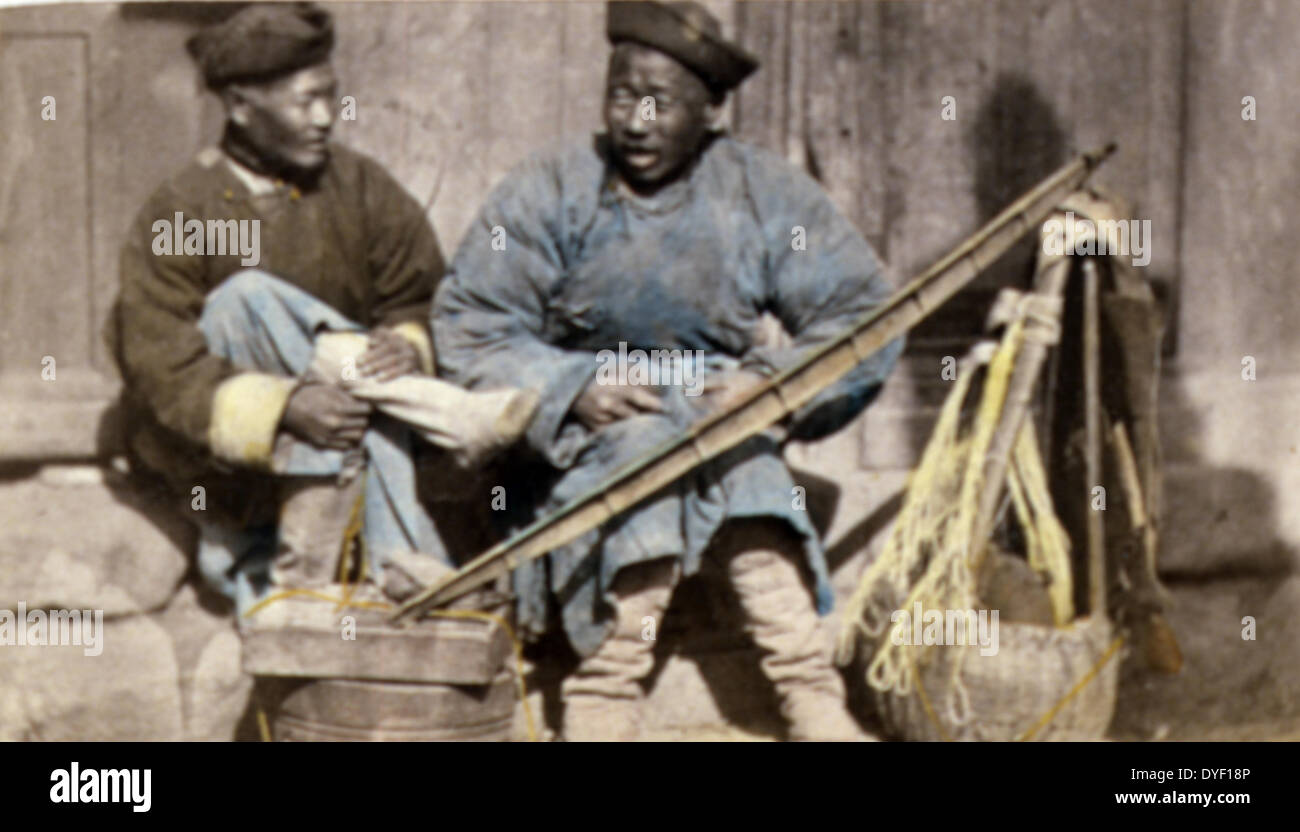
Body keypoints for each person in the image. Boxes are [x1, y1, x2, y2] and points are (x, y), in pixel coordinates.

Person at [433, 0, 904, 741]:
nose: (637, 121)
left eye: (663, 103)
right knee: (647, 452)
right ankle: (602, 696)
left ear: (712, 110)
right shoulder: (548, 186)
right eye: (623, 95)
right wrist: (572, 388)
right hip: (574, 456)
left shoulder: (761, 192)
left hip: (716, 428)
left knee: (742, 457)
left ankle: (811, 697)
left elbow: (862, 314)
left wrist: (770, 389)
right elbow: (472, 326)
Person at [109, 3, 536, 613]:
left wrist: (402, 340)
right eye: (304, 102)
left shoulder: (360, 187)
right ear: (239, 107)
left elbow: (420, 292)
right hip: (230, 473)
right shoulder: (183, 208)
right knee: (244, 296)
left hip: (347, 438)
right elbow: (160, 363)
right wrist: (284, 407)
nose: (324, 119)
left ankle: (396, 576)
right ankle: (419, 516)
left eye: (330, 98)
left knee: (361, 394)